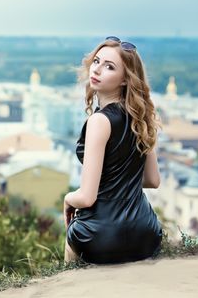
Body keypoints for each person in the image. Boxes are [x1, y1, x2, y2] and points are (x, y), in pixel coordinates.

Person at [64, 36, 163, 265]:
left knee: (74, 235)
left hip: (101, 236)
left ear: (125, 80)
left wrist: (68, 198)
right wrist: (120, 181)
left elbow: (87, 197)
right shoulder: (142, 118)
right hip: (145, 233)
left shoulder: (99, 121)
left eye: (109, 67)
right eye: (97, 61)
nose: (97, 70)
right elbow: (152, 180)